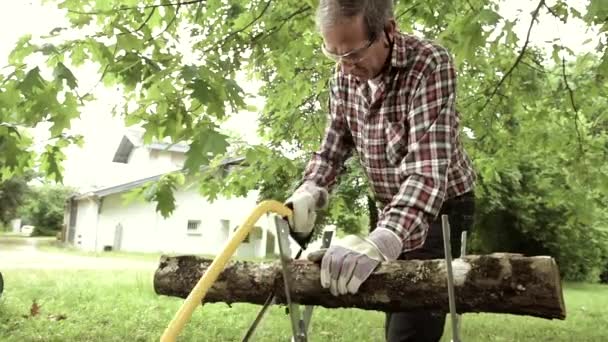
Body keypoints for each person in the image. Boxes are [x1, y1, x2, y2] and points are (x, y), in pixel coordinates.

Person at [284, 0, 477, 341]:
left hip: (441, 209)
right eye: (334, 55)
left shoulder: (429, 64)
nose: (345, 68)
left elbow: (427, 172)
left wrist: (383, 240)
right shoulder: (343, 80)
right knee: (394, 309)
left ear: (388, 30)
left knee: (408, 331)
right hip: (392, 209)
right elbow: (332, 150)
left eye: (354, 54)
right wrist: (309, 190)